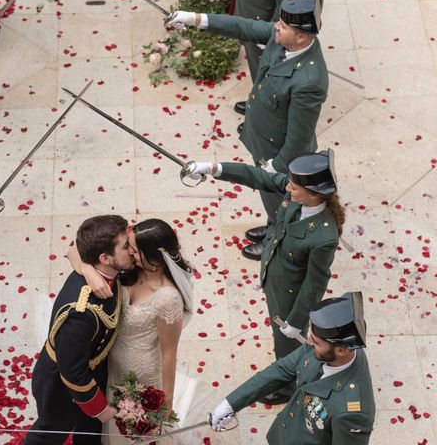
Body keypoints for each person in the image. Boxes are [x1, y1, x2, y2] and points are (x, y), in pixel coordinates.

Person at [168, 0, 328, 261]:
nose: (276, 27)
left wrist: (278, 166)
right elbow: (243, 27)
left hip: (279, 153)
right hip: (263, 139)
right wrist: (195, 19)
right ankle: (271, 226)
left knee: (282, 201)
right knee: (270, 199)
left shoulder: (309, 81)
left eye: (284, 26)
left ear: (301, 37)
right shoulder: (285, 38)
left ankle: (278, 240)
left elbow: (299, 136)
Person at [186, 150, 344, 404]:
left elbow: (315, 283)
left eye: (294, 186)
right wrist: (214, 168)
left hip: (290, 293)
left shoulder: (324, 237)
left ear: (314, 194)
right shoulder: (298, 196)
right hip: (275, 273)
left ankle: (287, 386)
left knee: (287, 343)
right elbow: (258, 177)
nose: (288, 188)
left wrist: (296, 319)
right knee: (281, 336)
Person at [69, 218, 193, 445]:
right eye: (128, 246)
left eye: (133, 249)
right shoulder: (128, 269)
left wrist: (166, 402)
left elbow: (169, 353)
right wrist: (89, 272)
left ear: (152, 256)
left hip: (141, 372)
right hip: (112, 364)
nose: (128, 252)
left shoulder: (167, 298)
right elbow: (74, 250)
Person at [209, 292, 375, 444]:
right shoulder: (326, 349)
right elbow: (281, 370)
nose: (309, 342)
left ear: (341, 350)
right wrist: (230, 404)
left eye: (316, 342)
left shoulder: (352, 412)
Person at [26, 215, 135, 445]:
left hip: (93, 368)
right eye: (126, 247)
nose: (132, 250)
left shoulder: (103, 270)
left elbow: (75, 249)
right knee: (50, 432)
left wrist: (88, 270)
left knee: (89, 434)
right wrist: (99, 408)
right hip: (62, 387)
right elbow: (73, 373)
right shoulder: (82, 313)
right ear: (104, 258)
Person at [230, 0, 303, 116]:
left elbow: (287, 4)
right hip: (249, 20)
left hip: (262, 30)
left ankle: (263, 116)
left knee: (265, 75)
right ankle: (258, 102)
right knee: (256, 71)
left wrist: (271, 35)